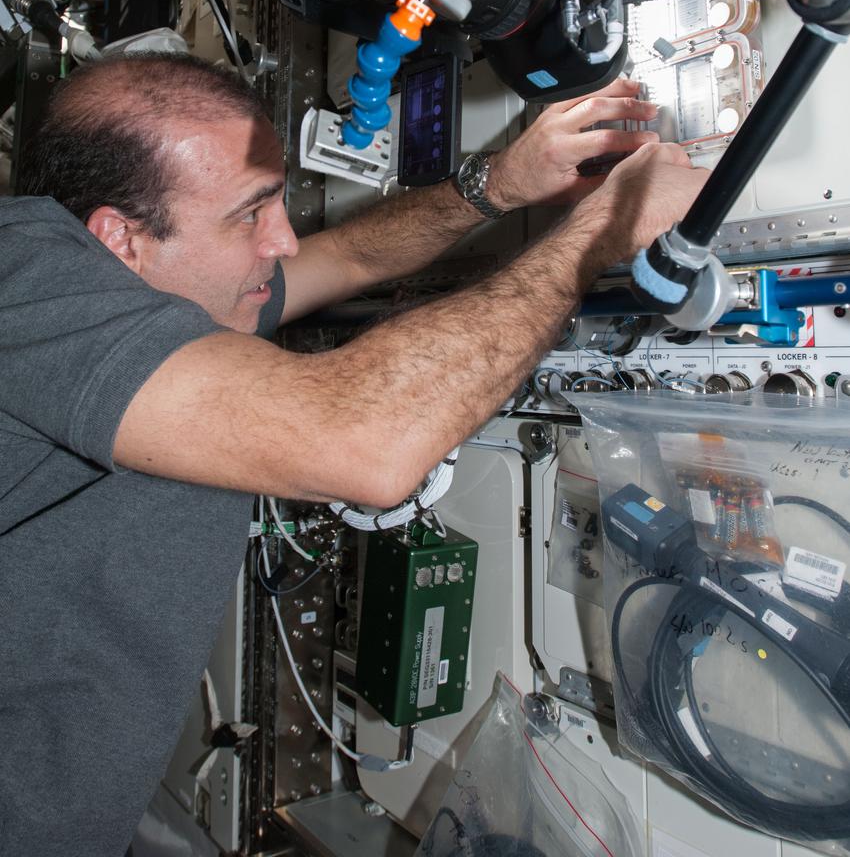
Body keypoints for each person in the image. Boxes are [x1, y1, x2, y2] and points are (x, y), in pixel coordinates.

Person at [0, 52, 706, 857]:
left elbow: (347, 260)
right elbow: (365, 446)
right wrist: (600, 232)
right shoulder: (20, 279)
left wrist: (498, 184)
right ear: (119, 238)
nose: (284, 237)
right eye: (252, 212)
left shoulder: (153, 284)